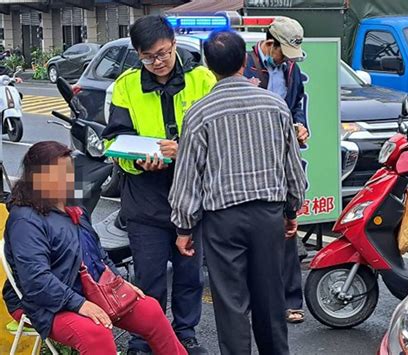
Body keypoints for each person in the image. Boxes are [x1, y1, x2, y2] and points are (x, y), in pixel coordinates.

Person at [169, 30, 306, 355]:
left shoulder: (200, 113)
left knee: (231, 305)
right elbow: (292, 168)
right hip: (268, 216)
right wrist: (291, 211)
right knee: (271, 300)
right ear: (244, 61)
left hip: (223, 221)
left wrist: (184, 227)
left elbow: (189, 175)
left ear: (208, 65)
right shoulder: (275, 106)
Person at [1, 141, 187, 355]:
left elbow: (98, 254)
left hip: (89, 289)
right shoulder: (25, 220)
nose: (66, 179)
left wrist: (120, 283)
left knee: (150, 310)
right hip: (43, 302)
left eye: (68, 172)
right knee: (96, 333)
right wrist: (79, 304)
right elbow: (36, 280)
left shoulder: (73, 206)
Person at [101, 15, 215, 355]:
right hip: (145, 197)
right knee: (148, 275)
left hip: (192, 195)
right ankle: (144, 337)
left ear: (174, 44)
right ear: (138, 54)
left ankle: (185, 333)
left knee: (189, 275)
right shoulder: (126, 85)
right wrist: (137, 159)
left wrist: (184, 150)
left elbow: (217, 136)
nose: (158, 61)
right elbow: (115, 139)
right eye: (148, 56)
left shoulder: (202, 79)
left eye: (163, 53)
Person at [243, 16, 308, 324]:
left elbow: (298, 105)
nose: (286, 59)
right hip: (249, 158)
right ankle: (252, 301)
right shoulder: (245, 65)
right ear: (269, 44)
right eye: (283, 52)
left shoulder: (293, 70)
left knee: (287, 226)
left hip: (282, 155)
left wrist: (300, 126)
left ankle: (290, 300)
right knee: (252, 231)